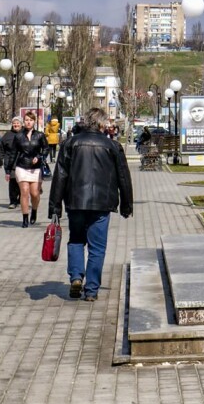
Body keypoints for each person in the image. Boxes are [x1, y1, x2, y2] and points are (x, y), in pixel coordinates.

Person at [49, 107, 133, 301]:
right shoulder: (112, 146)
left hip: (75, 202)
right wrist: (127, 205)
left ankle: (76, 276)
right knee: (97, 247)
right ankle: (92, 290)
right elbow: (123, 177)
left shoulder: (70, 143)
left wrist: (55, 206)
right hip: (102, 204)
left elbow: (60, 176)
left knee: (76, 240)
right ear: (102, 124)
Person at [14, 112, 48, 228]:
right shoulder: (18, 136)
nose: (28, 122)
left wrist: (38, 157)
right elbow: (13, 153)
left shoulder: (40, 135)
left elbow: (46, 149)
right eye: (27, 120)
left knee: (35, 194)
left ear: (34, 122)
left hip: (36, 168)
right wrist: (8, 170)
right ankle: (25, 218)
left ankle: (34, 210)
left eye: (31, 120)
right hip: (22, 166)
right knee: (24, 191)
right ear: (24, 121)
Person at [1, 116, 23, 209]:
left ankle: (21, 199)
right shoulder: (7, 135)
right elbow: (2, 149)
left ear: (21, 124)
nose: (16, 124)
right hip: (11, 162)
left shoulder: (26, 134)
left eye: (18, 123)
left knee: (22, 183)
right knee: (13, 182)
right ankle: (13, 201)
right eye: (14, 123)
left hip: (23, 162)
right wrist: (0, 159)